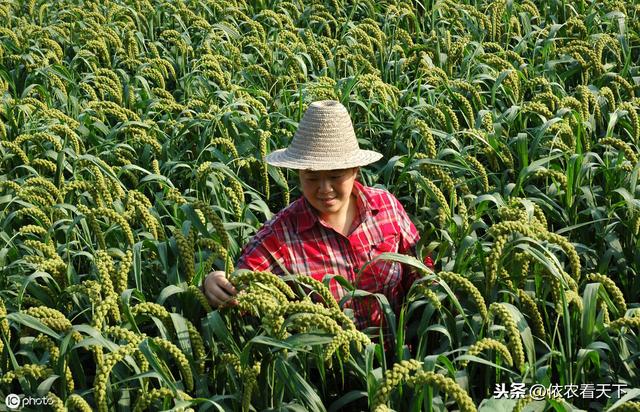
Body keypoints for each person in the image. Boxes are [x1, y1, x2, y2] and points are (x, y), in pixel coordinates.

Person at [202, 100, 433, 332]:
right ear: (298, 174)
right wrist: (214, 283)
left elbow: (422, 275)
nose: (324, 189)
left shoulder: (386, 208)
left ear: (355, 170)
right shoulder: (281, 235)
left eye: (335, 176)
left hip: (403, 356)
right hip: (328, 367)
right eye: (311, 178)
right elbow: (242, 286)